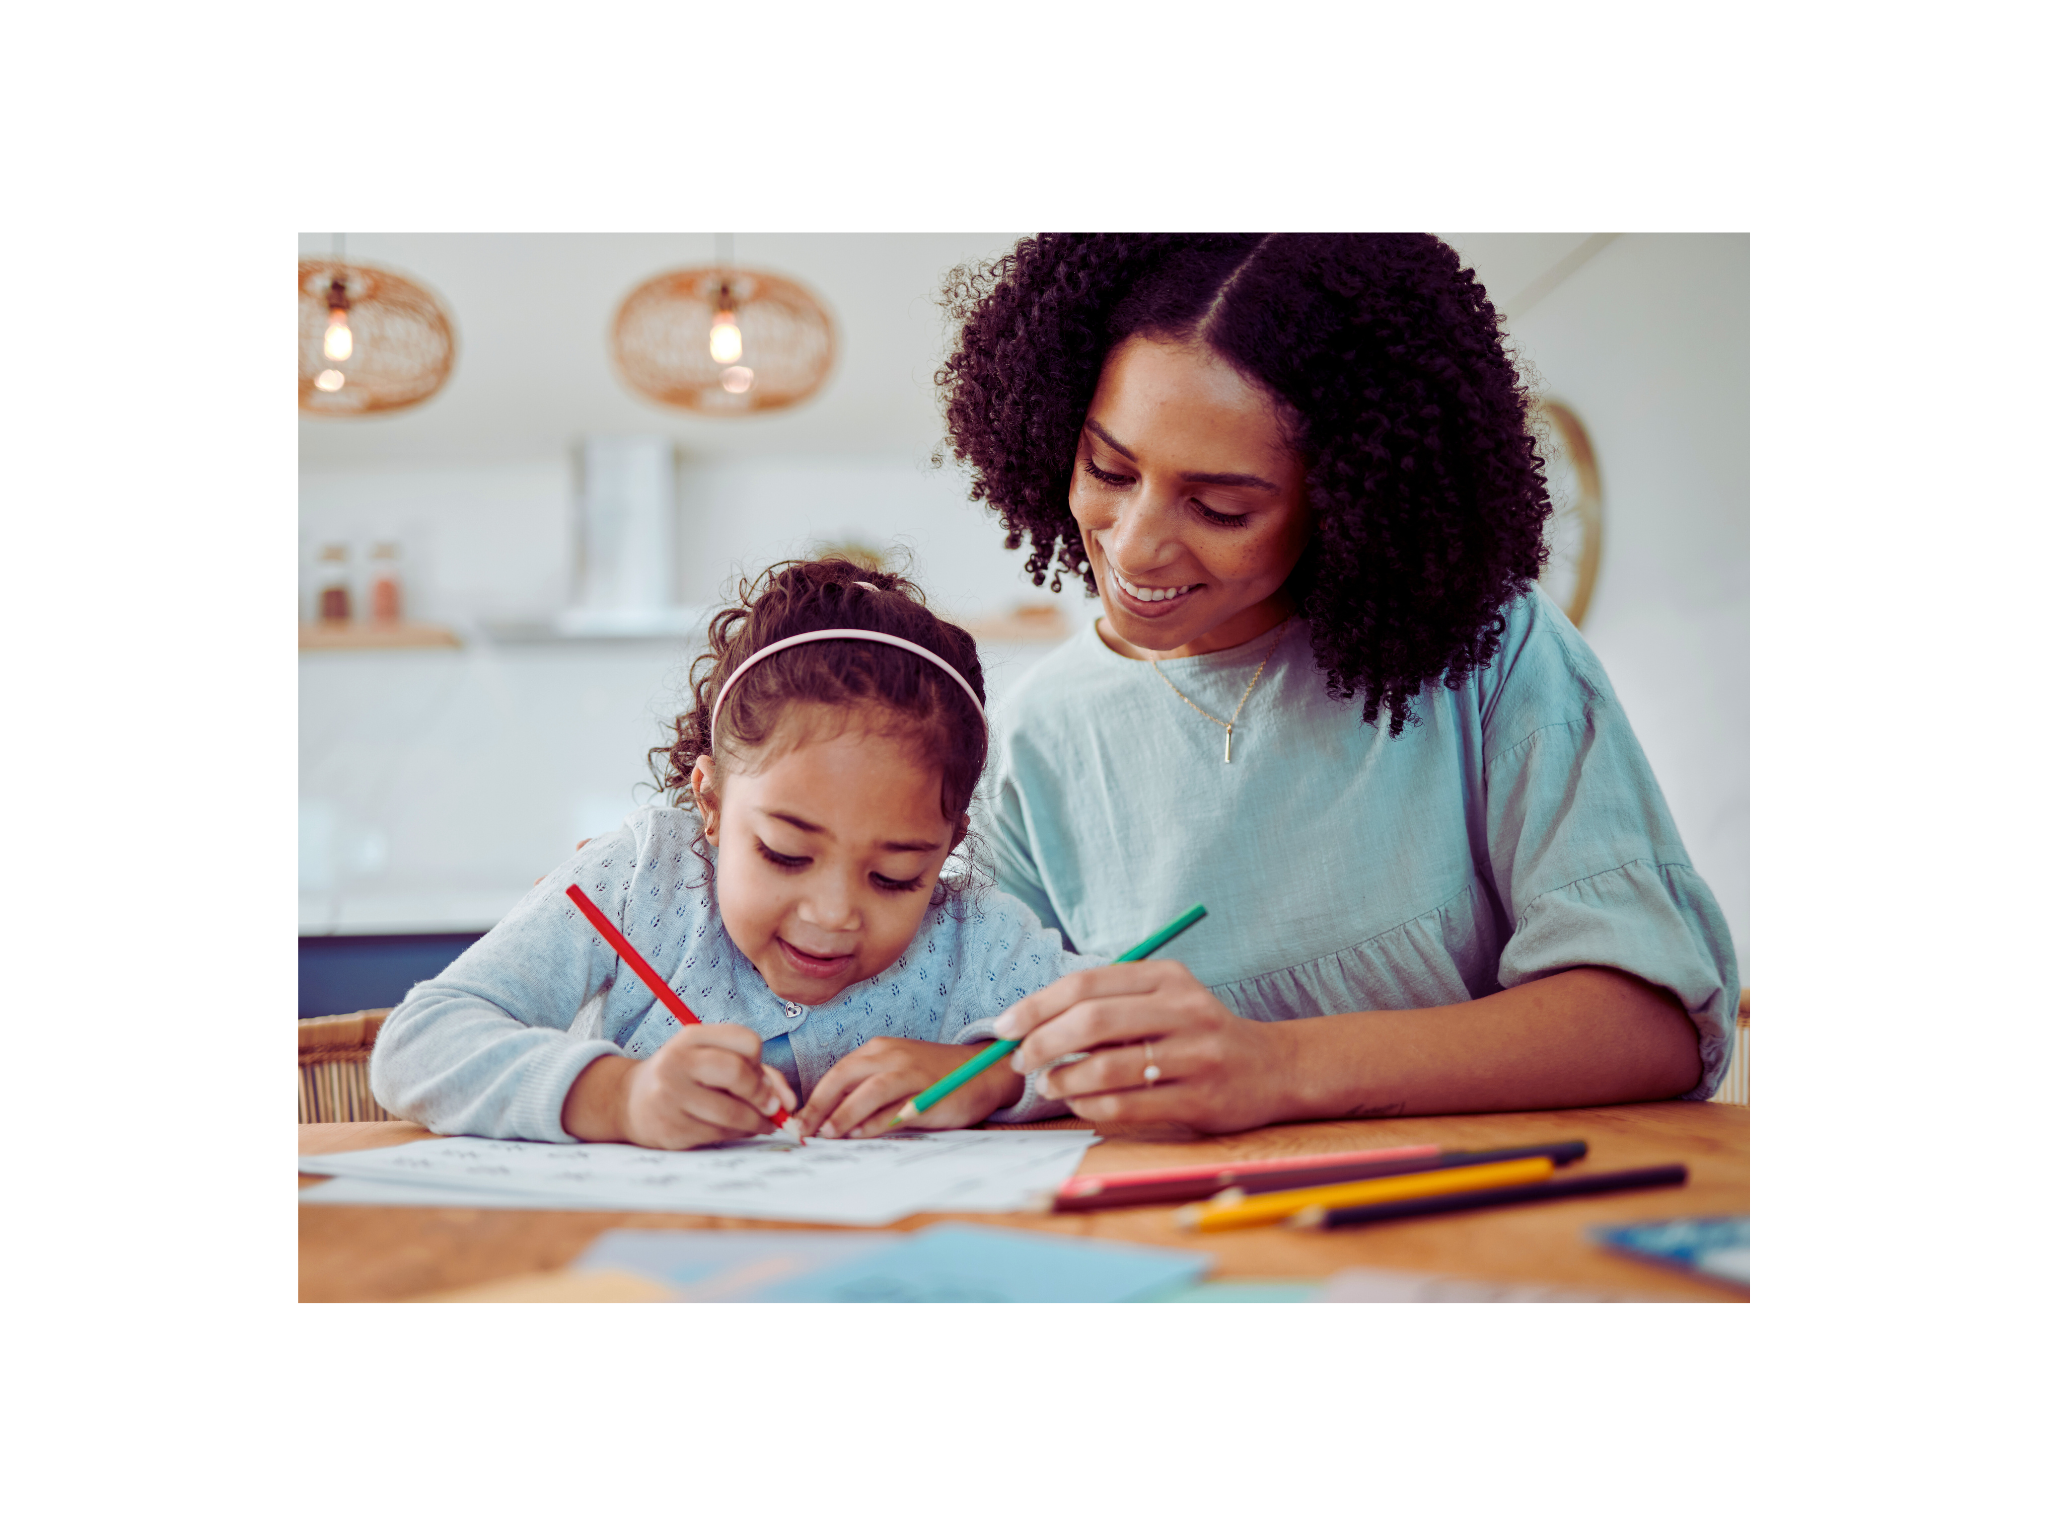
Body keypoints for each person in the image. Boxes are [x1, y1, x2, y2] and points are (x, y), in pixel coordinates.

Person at [932, 233, 1741, 1136]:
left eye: (1222, 508)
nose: (1132, 546)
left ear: (1345, 497)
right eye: (1108, 470)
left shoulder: (1486, 653)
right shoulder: (1039, 731)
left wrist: (1280, 1069)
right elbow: (1012, 1035)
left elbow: (1653, 1024)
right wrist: (976, 1072)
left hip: (1469, 1223)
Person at [369, 558, 1099, 1148]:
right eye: (784, 854)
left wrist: (989, 1072)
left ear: (945, 853)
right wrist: (619, 1098)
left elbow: (1112, 1038)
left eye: (895, 875)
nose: (835, 914)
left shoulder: (973, 933)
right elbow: (419, 1043)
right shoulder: (636, 880)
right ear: (711, 803)